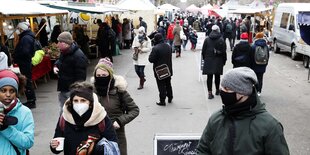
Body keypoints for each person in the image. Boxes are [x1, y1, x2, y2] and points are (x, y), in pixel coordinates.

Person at [197, 67, 290, 155]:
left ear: (242, 92)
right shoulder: (216, 119)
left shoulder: (270, 127)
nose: (222, 92)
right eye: (222, 88)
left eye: (227, 89)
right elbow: (203, 150)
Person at [50, 81, 118, 155]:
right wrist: (54, 146)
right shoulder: (65, 118)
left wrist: (94, 149)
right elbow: (57, 142)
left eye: (83, 100)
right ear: (71, 102)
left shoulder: (101, 117)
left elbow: (113, 144)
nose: (79, 104)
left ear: (90, 103)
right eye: (75, 101)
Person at [92, 58, 140, 155]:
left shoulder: (119, 91)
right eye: (98, 75)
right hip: (95, 134)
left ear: (110, 75)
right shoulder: (90, 91)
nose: (101, 77)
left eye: (104, 75)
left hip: (116, 135)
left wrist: (120, 121)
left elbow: (134, 110)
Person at [0, 69, 34, 155]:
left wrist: (6, 129)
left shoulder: (25, 112)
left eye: (12, 91)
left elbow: (28, 142)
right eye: (3, 90)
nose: (8, 94)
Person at [53, 32, 88, 113]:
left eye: (59, 42)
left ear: (66, 43)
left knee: (72, 112)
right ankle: (63, 125)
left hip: (72, 90)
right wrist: (55, 66)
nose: (57, 44)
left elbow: (81, 77)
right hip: (64, 88)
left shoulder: (78, 56)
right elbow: (59, 61)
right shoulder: (64, 52)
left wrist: (76, 92)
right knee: (64, 111)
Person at [14, 21, 37, 109]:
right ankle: (31, 100)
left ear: (22, 29)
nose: (18, 30)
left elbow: (25, 51)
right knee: (27, 80)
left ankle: (31, 101)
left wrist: (18, 55)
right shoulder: (27, 37)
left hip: (24, 62)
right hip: (25, 61)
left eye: (19, 29)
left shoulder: (25, 38)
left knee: (27, 81)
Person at [201, 25, 227, 99]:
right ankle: (217, 90)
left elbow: (203, 51)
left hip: (208, 60)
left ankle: (209, 93)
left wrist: (205, 59)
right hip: (218, 60)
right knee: (217, 76)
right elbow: (224, 52)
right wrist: (224, 61)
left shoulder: (207, 39)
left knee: (209, 77)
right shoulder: (221, 39)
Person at [149, 33, 173, 106]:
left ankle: (162, 100)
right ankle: (170, 97)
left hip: (159, 70)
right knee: (168, 83)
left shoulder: (155, 48)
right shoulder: (168, 46)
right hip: (168, 68)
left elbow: (151, 59)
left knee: (161, 85)